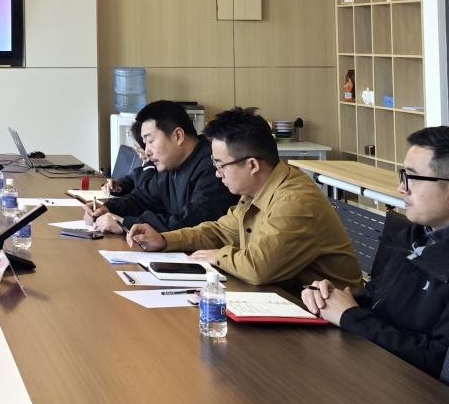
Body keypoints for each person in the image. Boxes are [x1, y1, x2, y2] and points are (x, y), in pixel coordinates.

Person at [301, 127, 449, 375]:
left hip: (425, 395)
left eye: (412, 178)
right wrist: (331, 300)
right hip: (379, 372)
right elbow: (377, 302)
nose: (401, 188)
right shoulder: (418, 238)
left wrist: (351, 316)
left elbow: (444, 363)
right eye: (403, 175)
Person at [125, 107, 363, 293]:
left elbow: (258, 267)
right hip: (286, 297)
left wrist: (217, 255)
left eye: (221, 165)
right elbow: (219, 232)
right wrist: (164, 240)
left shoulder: (295, 201)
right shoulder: (255, 191)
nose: (217, 174)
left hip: (330, 317)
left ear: (252, 165)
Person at [83, 100, 238, 235]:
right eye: (145, 143)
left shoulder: (214, 166)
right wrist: (107, 208)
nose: (147, 151)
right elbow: (142, 199)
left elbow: (192, 223)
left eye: (150, 141)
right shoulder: (170, 164)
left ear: (178, 136)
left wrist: (125, 224)